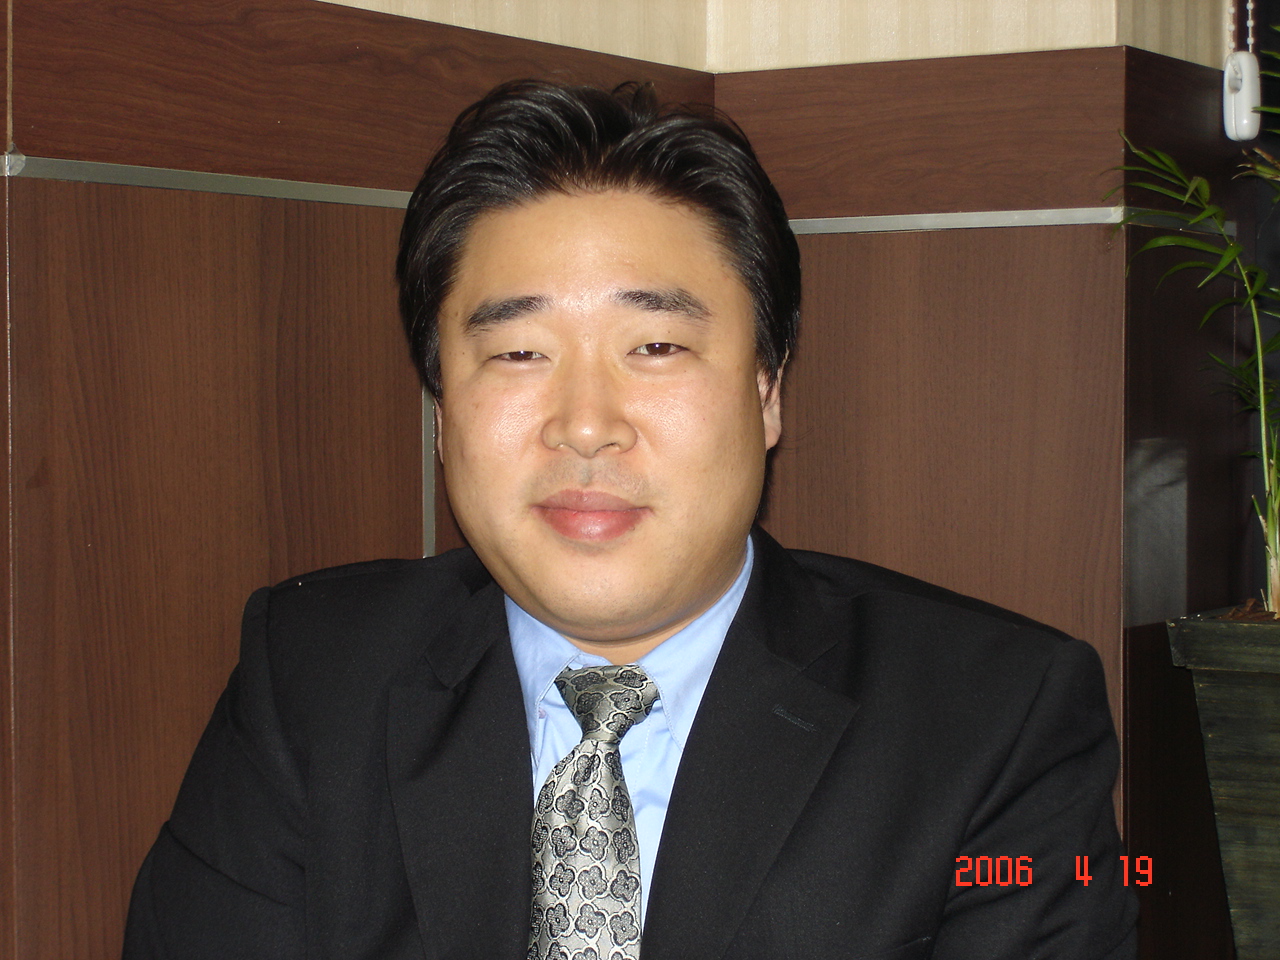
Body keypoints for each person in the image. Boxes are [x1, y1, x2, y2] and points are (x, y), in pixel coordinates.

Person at [124, 80, 1137, 960]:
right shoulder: (311, 678)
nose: (585, 425)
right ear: (439, 411)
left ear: (767, 390)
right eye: (518, 353)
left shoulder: (994, 721)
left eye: (654, 347)